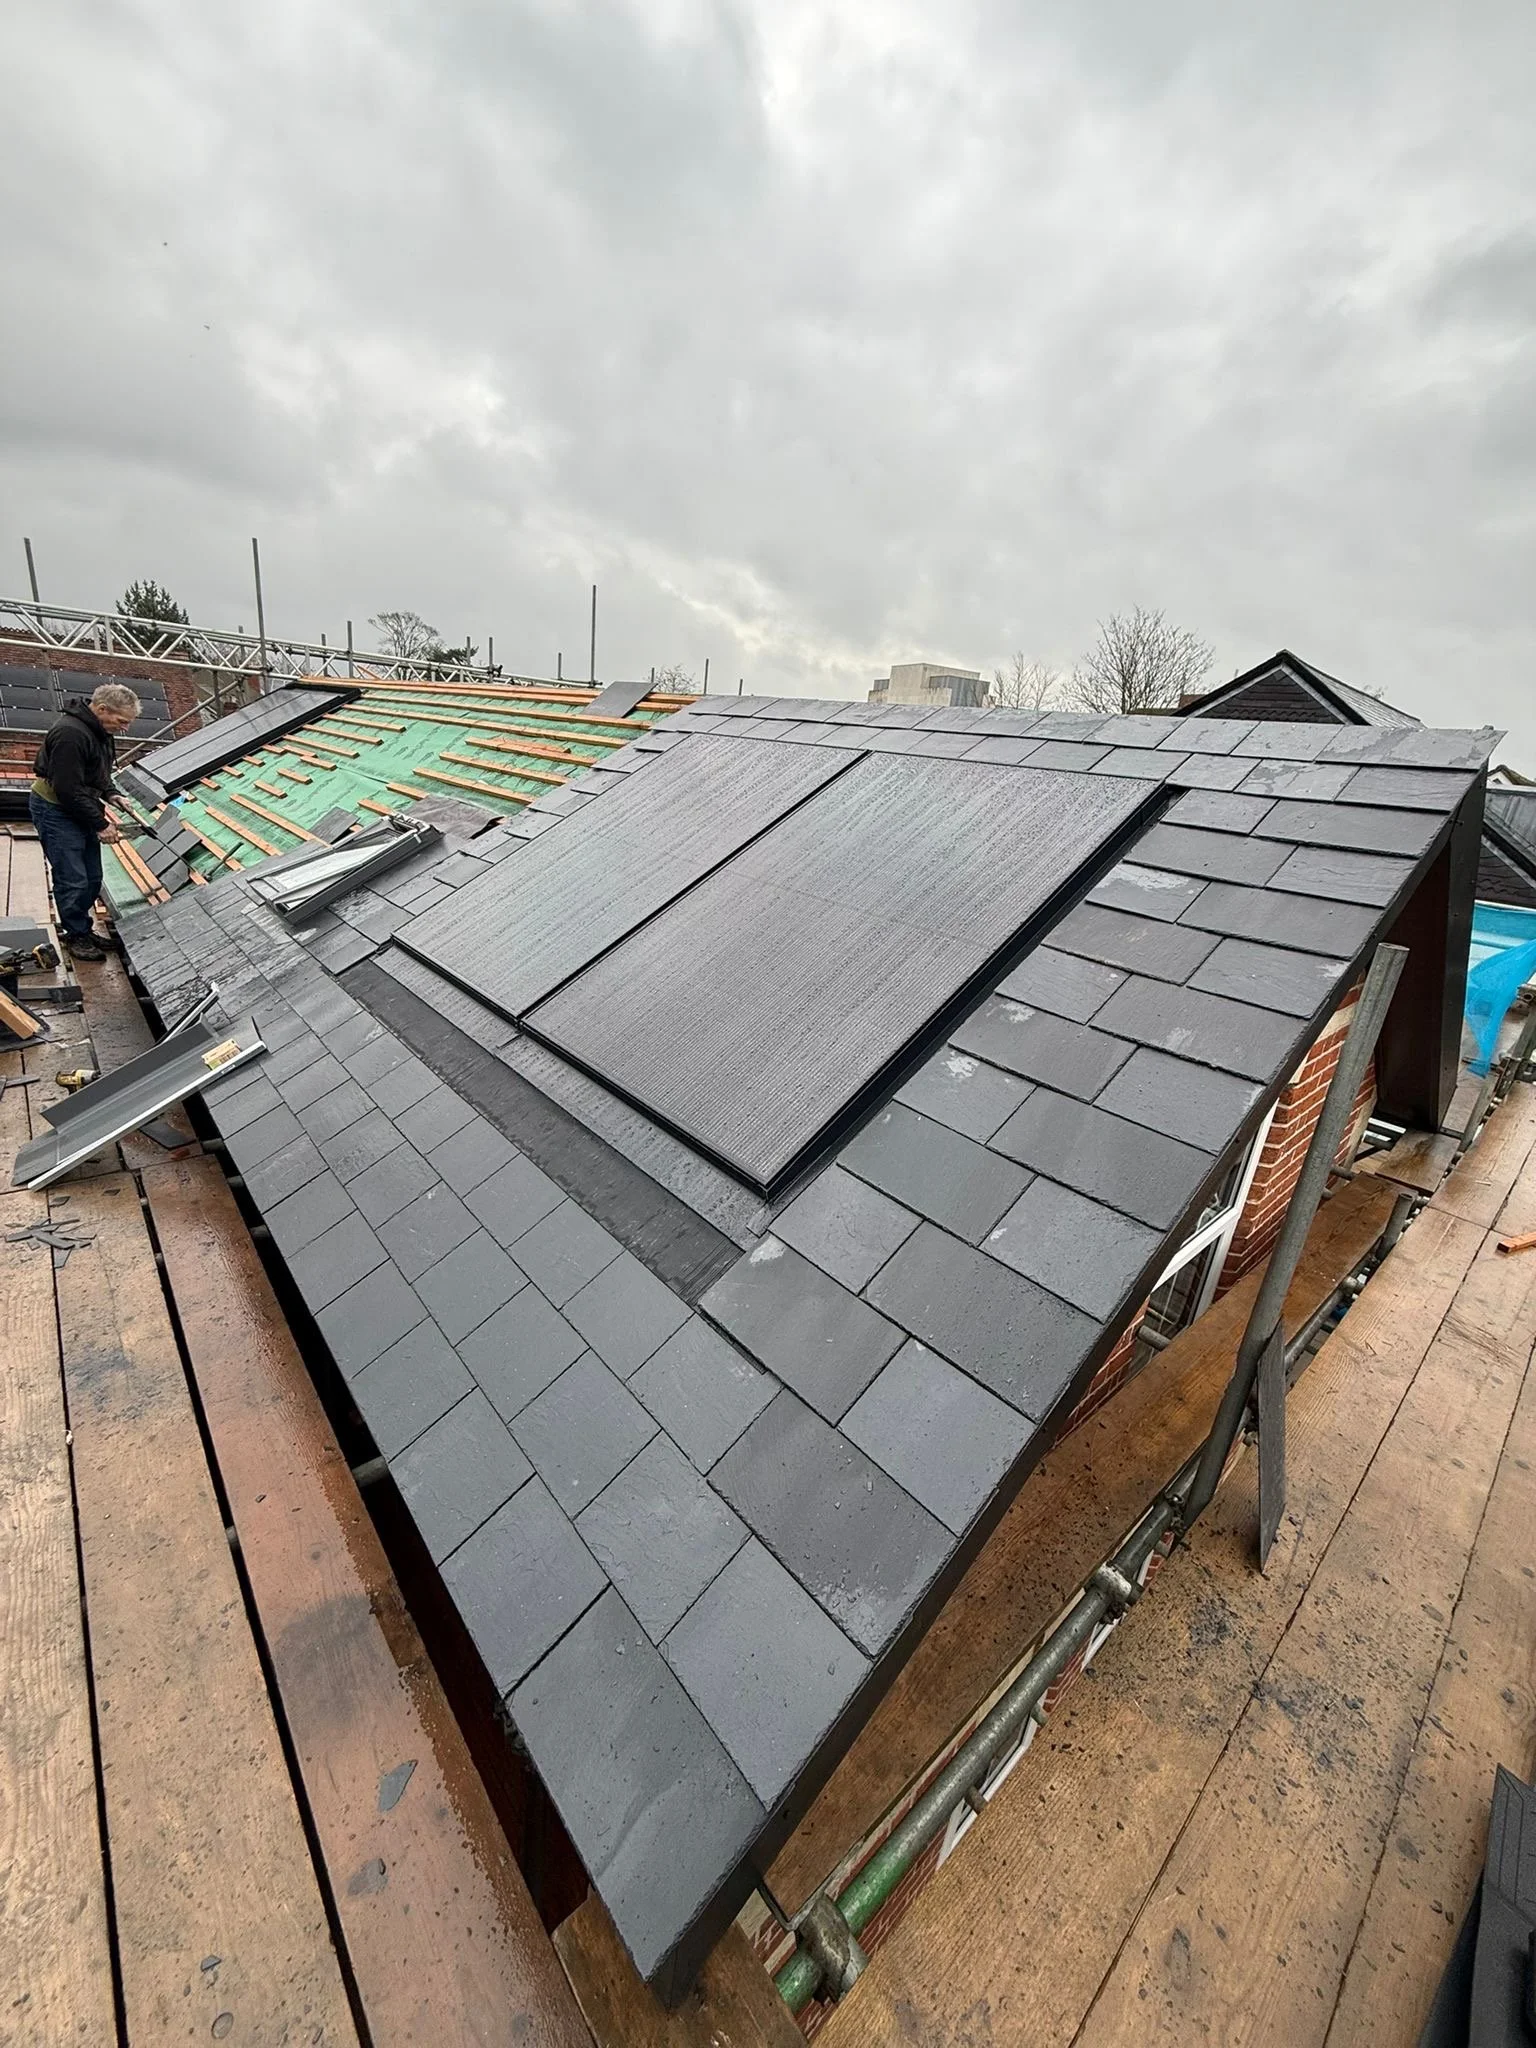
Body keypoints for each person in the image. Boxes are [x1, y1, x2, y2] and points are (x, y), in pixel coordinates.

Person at [29, 682, 142, 962]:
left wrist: (112, 794)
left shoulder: (100, 730)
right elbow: (67, 790)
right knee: (73, 877)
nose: (125, 728)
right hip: (57, 809)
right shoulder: (71, 734)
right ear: (102, 709)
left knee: (92, 876)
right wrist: (101, 824)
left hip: (80, 806)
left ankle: (82, 928)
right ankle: (76, 936)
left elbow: (98, 772)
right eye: (122, 721)